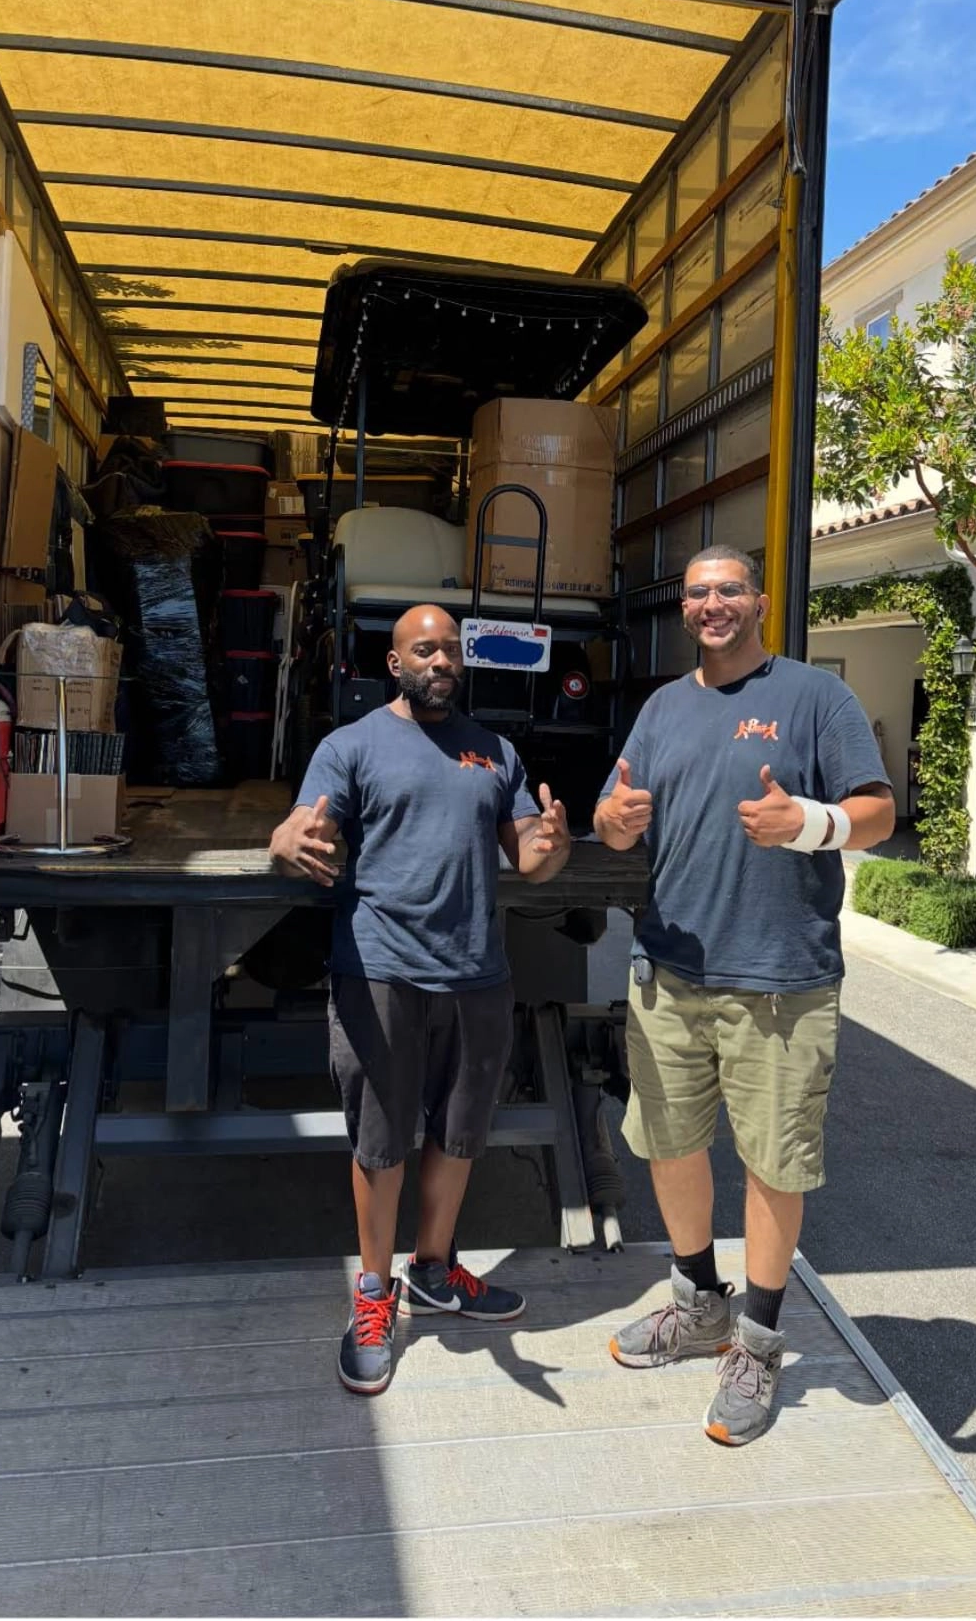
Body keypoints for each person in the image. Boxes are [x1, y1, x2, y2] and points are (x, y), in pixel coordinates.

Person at [594, 547, 894, 1446]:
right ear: (682, 608)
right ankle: (700, 1307)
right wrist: (613, 822)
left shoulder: (814, 697)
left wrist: (814, 824)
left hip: (780, 982)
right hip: (669, 971)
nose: (712, 604)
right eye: (696, 592)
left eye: (728, 589)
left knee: (774, 1163)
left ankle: (758, 1343)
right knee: (671, 1144)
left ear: (759, 601)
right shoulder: (661, 706)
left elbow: (876, 809)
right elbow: (615, 809)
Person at [269, 604, 571, 1395]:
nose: (440, 661)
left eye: (450, 651)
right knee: (382, 1140)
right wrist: (285, 841)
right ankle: (374, 1293)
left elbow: (529, 857)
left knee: (461, 1134)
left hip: (476, 973)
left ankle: (434, 1270)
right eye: (423, 649)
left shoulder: (494, 752)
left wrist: (551, 844)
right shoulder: (352, 746)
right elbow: (302, 823)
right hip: (381, 971)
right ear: (395, 663)